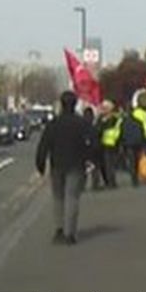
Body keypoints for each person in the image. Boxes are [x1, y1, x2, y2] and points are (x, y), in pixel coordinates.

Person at [35, 91, 96, 245]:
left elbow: (44, 145)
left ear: (61, 104)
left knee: (58, 198)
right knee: (72, 198)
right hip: (76, 165)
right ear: (75, 104)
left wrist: (40, 164)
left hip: (57, 165)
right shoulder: (81, 123)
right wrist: (90, 158)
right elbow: (93, 143)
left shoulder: (54, 124)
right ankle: (70, 233)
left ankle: (59, 229)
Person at [97, 100, 123, 189]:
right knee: (103, 164)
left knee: (109, 164)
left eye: (105, 108)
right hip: (101, 144)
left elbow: (118, 130)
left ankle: (111, 182)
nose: (103, 110)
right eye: (103, 108)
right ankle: (107, 181)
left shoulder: (115, 119)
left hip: (111, 144)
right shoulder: (100, 119)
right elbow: (97, 129)